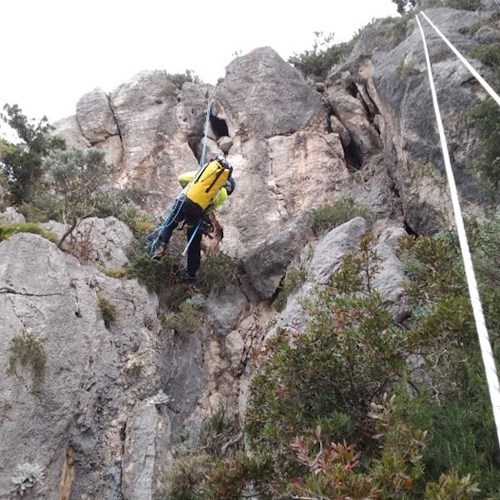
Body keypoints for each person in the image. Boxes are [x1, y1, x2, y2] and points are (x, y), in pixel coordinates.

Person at [153, 156, 235, 281]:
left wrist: (190, 190)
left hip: (183, 199)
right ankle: (191, 274)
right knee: (194, 241)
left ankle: (160, 248)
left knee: (169, 224)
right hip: (197, 210)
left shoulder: (204, 174)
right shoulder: (222, 193)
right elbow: (210, 206)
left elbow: (182, 178)